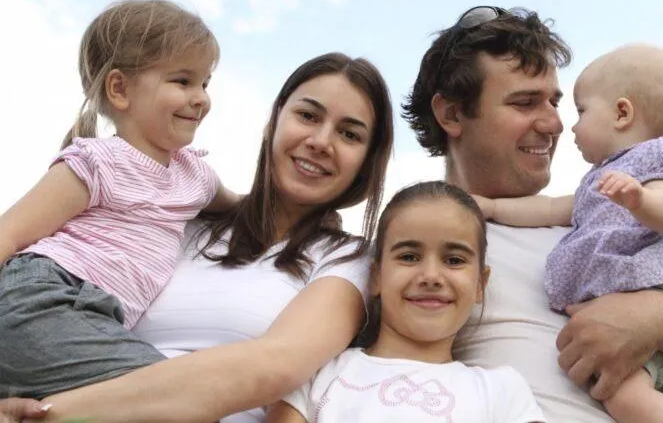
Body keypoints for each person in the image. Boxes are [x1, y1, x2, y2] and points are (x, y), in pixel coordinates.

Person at [401, 5, 663, 422]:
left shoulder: (610, 222)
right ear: (451, 114)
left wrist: (660, 319)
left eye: (556, 103)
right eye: (525, 103)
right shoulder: (407, 254)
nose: (555, 124)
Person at [0, 51, 394, 422]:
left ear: (366, 161)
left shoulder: (350, 260)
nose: (321, 142)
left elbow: (278, 364)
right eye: (308, 116)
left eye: (349, 134)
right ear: (274, 121)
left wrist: (49, 415)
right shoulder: (175, 218)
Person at [471, 44, 663, 423]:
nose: (566, 125)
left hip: (658, 285)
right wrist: (494, 208)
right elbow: (552, 208)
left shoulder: (650, 162)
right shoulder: (597, 184)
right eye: (524, 102)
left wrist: (640, 200)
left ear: (622, 113)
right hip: (645, 295)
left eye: (580, 111)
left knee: (626, 394)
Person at [0, 0, 240, 399]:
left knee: (165, 401)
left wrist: (315, 216)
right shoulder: (98, 161)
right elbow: (10, 234)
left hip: (92, 322)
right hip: (42, 299)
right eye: (182, 81)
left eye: (205, 82)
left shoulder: (195, 175)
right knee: (183, 398)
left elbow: (243, 206)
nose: (201, 97)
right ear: (120, 89)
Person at [266, 181, 545, 423]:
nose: (431, 276)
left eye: (454, 260)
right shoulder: (318, 373)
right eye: (409, 256)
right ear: (376, 277)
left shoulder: (502, 391)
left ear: (479, 286)